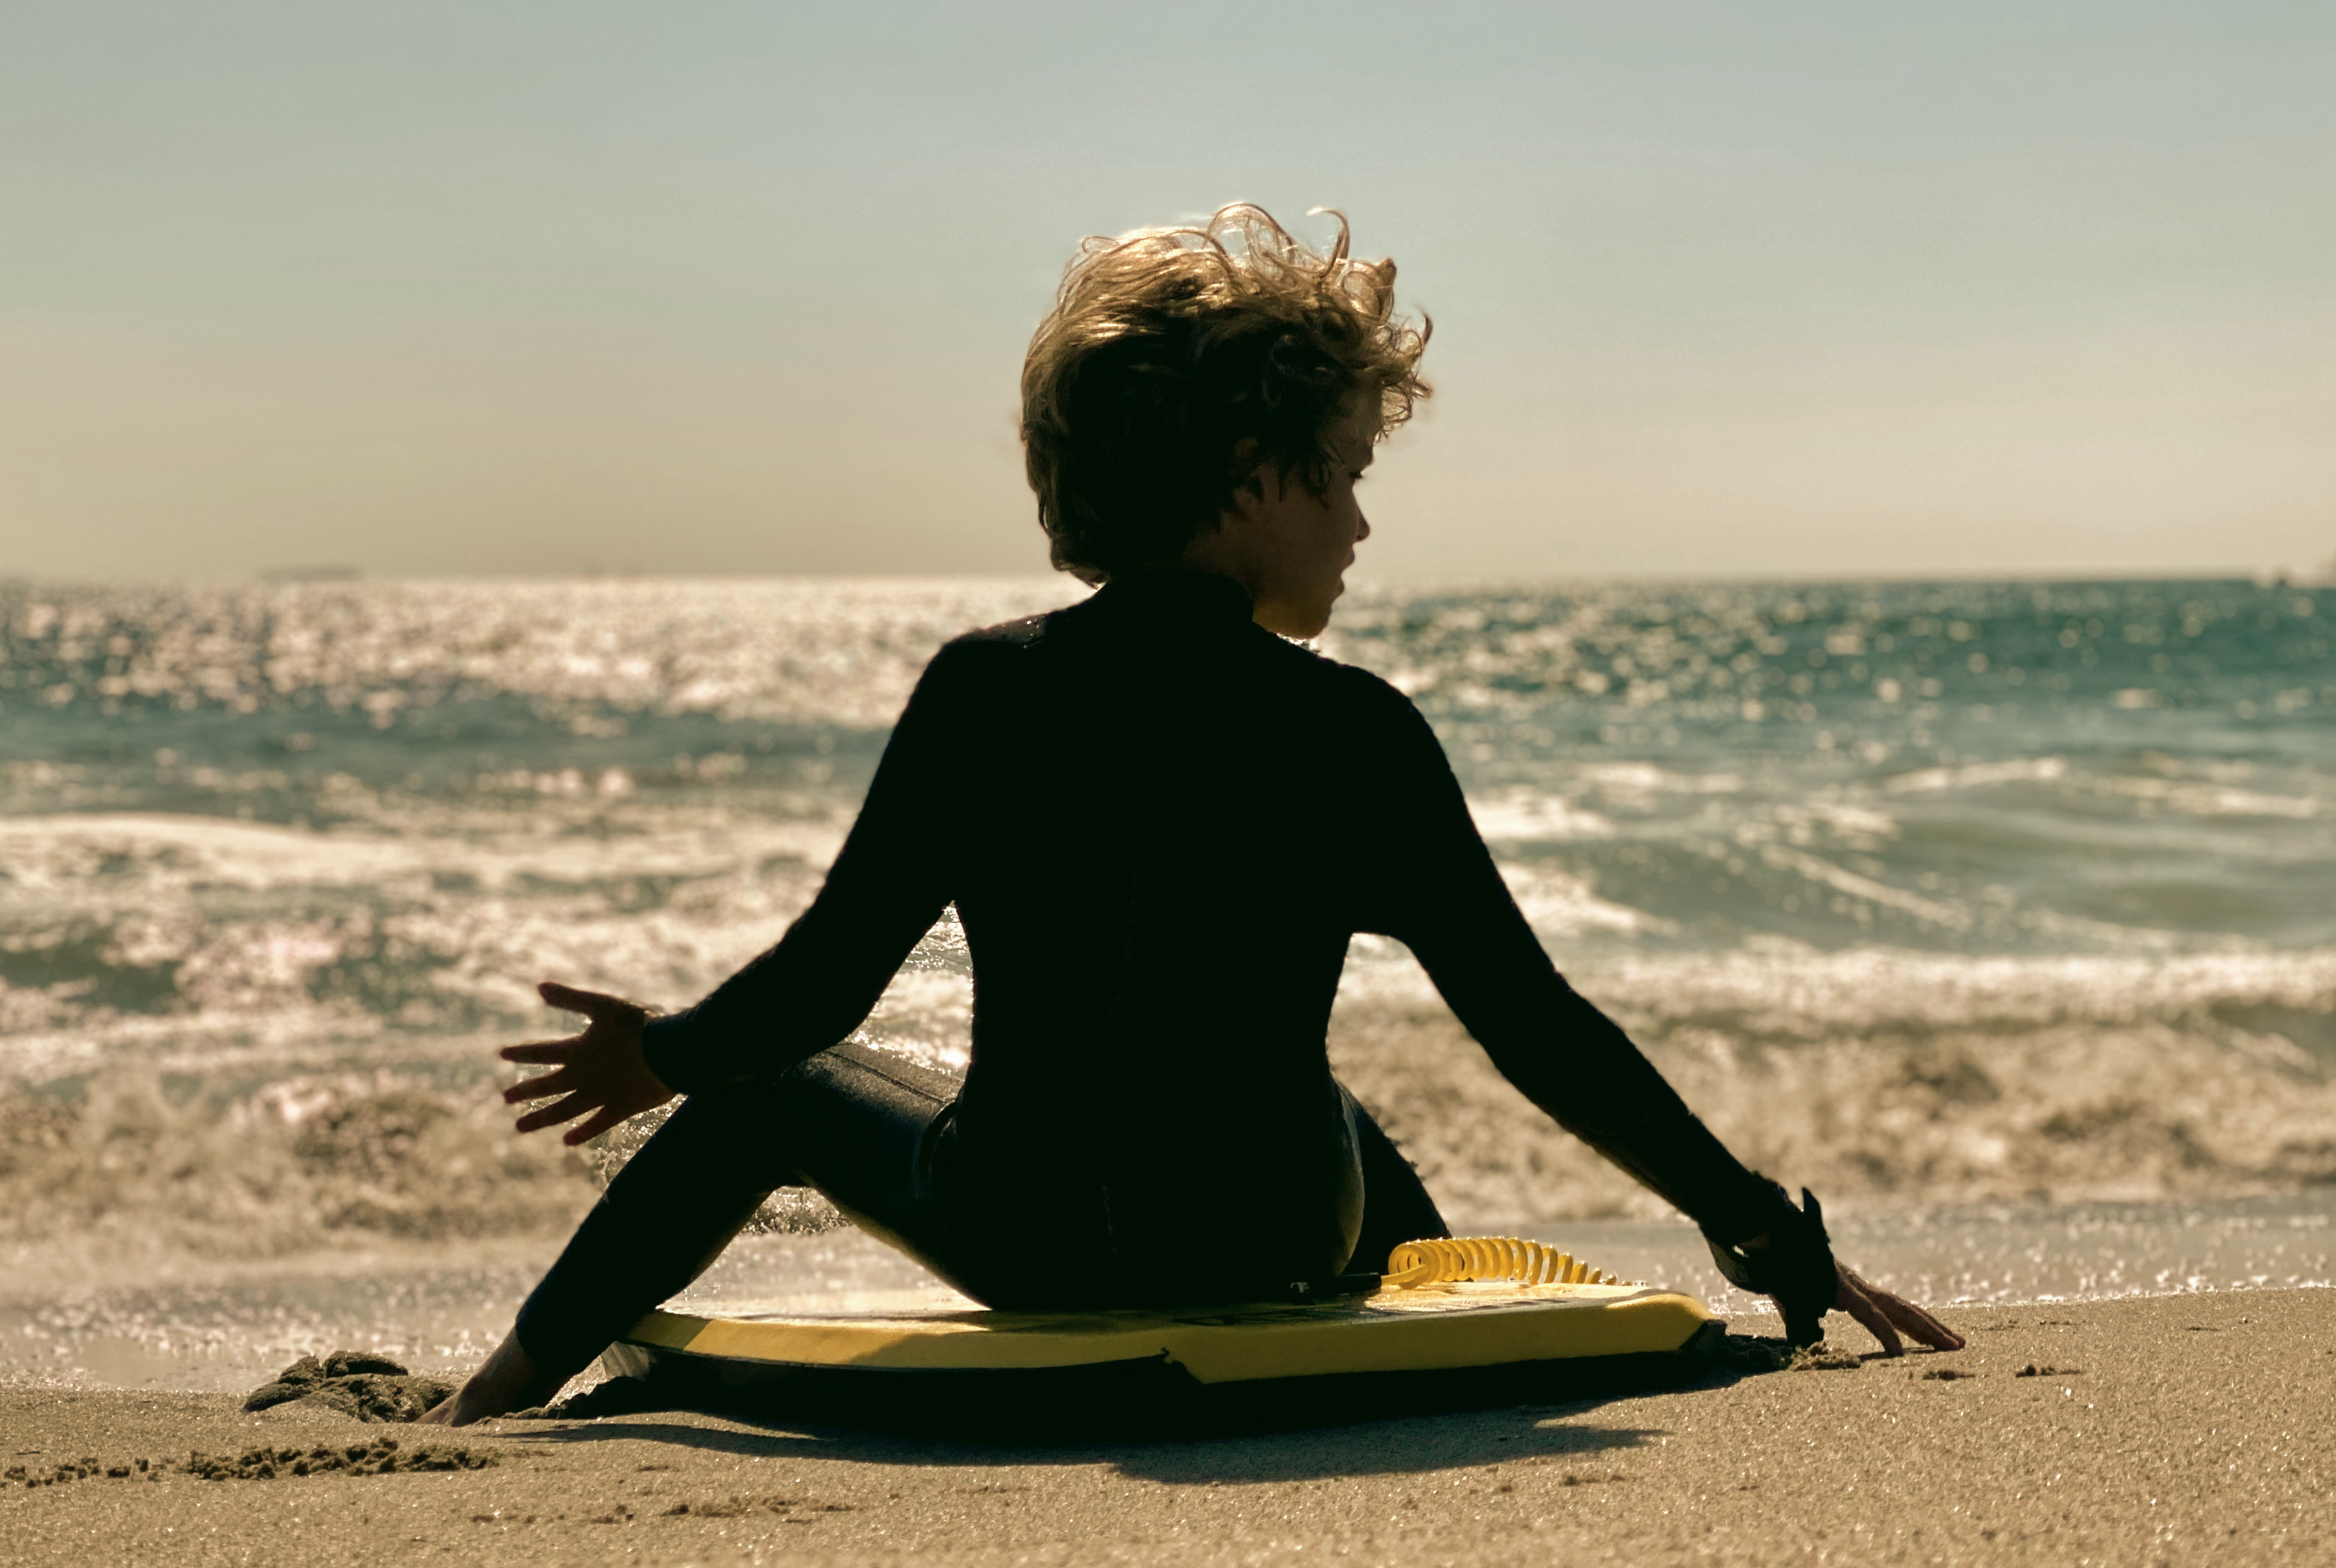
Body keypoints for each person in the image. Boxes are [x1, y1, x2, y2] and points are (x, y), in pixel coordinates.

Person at [423, 203, 1961, 1426]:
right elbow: (1535, 1026)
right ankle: (1414, 1300)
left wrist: (658, 1056)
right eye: (1343, 477)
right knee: (1319, 1096)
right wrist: (1762, 1233)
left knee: (771, 1087)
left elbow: (823, 984)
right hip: (1274, 1231)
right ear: (1245, 476)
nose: (1361, 522)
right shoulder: (1357, 731)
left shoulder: (981, 693)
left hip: (1022, 1235)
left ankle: (503, 1385)